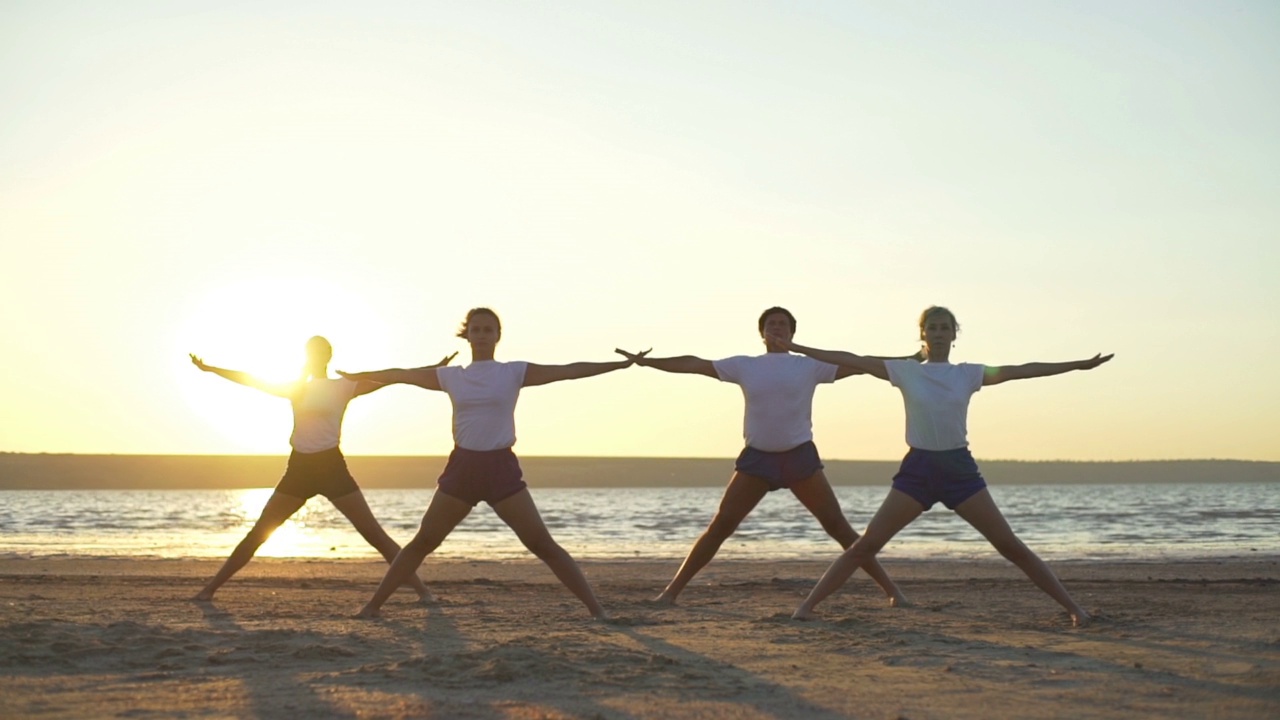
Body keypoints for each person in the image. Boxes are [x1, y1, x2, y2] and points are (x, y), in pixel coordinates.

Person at [770, 306, 1112, 626]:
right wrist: (797, 346)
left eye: (943, 328)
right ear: (922, 334)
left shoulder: (967, 374)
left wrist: (1076, 365)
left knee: (1009, 545)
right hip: (918, 470)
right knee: (867, 545)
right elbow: (852, 359)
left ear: (953, 335)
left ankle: (1074, 610)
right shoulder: (904, 370)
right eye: (931, 327)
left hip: (958, 470)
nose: (937, 333)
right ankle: (805, 608)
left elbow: (1021, 370)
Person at [340, 308, 636, 620]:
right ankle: (372, 607)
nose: (481, 335)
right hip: (462, 469)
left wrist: (619, 365)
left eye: (488, 330)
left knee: (541, 543)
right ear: (466, 334)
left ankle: (598, 611)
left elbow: (568, 370)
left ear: (497, 336)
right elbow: (400, 374)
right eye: (476, 329)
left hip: (501, 470)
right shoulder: (452, 376)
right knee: (423, 541)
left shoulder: (513, 372)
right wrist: (357, 376)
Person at [616, 306, 910, 607]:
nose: (778, 328)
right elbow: (695, 364)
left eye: (783, 324)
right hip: (758, 460)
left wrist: (910, 361)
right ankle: (670, 593)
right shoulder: (746, 365)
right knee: (721, 526)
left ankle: (892, 592)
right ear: (762, 332)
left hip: (799, 459)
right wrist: (646, 361)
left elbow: (862, 365)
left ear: (793, 332)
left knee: (838, 526)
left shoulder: (810, 366)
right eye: (772, 324)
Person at [189, 336, 451, 602]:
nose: (317, 356)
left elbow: (393, 378)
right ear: (307, 356)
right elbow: (250, 379)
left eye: (321, 351)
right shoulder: (296, 389)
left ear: (329, 355)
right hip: (299, 469)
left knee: (373, 534)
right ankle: (209, 590)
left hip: (332, 469)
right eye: (312, 352)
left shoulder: (345, 386)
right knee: (259, 532)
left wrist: (432, 367)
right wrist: (211, 369)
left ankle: (422, 591)